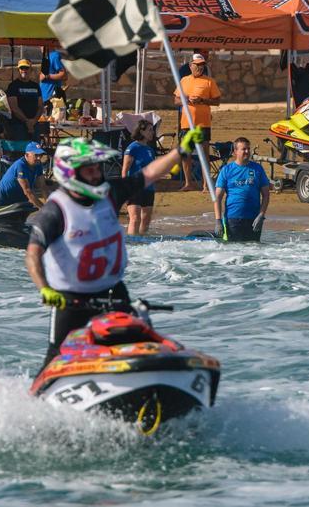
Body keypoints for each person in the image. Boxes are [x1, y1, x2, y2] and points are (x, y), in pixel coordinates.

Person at [26, 128, 206, 366]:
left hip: (114, 293)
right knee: (55, 357)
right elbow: (33, 254)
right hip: (69, 300)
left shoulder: (111, 193)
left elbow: (149, 174)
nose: (96, 172)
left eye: (97, 166)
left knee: (137, 344)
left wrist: (180, 151)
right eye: (89, 167)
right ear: (70, 172)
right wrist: (45, 289)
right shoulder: (55, 210)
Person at [175, 52, 221, 192]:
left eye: (202, 65)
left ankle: (206, 184)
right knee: (186, 154)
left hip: (202, 124)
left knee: (203, 154)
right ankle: (189, 183)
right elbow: (176, 100)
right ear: (190, 66)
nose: (200, 68)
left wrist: (202, 100)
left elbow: (217, 101)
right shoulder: (184, 81)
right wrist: (187, 99)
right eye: (197, 65)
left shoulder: (209, 81)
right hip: (186, 123)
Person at [212, 136, 270, 242]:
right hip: (233, 219)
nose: (247, 151)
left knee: (253, 251)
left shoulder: (258, 169)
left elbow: (266, 195)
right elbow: (217, 198)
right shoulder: (226, 170)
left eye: (248, 148)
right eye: (244, 149)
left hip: (254, 219)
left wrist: (261, 215)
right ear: (235, 152)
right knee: (234, 251)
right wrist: (218, 221)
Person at [121, 118, 157, 235]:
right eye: (150, 130)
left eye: (152, 130)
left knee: (146, 220)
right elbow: (125, 170)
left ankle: (141, 245)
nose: (152, 132)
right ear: (141, 132)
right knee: (135, 219)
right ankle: (132, 243)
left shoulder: (150, 150)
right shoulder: (133, 148)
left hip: (149, 188)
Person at [6, 59, 43, 147]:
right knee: (21, 151)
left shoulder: (36, 86)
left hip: (34, 125)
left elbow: (41, 106)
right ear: (18, 70)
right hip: (19, 125)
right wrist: (27, 121)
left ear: (31, 69)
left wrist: (33, 121)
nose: (24, 70)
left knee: (35, 152)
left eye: (26, 68)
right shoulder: (13, 86)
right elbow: (14, 107)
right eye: (21, 68)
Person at [0, 142, 47, 207]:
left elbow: (43, 186)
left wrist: (50, 206)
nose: (39, 158)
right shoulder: (20, 165)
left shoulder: (38, 164)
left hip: (18, 199)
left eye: (40, 155)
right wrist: (44, 209)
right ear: (27, 155)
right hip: (4, 200)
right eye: (36, 155)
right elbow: (27, 191)